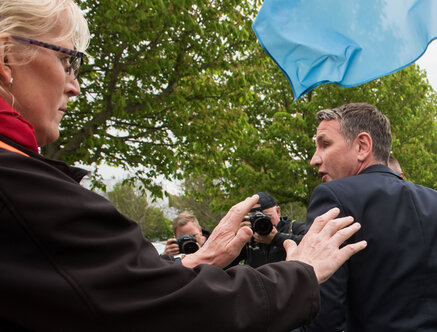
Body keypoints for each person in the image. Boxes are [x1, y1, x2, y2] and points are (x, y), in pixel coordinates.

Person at [0, 1, 366, 330]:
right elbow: (177, 310)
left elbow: (113, 292)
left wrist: (198, 260)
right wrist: (301, 273)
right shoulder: (23, 189)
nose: (74, 86)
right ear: (6, 58)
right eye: (67, 62)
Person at [303, 103, 437, 331]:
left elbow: (323, 318)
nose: (314, 159)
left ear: (362, 146)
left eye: (325, 144)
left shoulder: (333, 198)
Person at [227, 191, 308, 267]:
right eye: (255, 219)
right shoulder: (249, 235)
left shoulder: (293, 227)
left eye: (267, 217)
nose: (262, 223)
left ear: (278, 211)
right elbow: (226, 264)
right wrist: (237, 239)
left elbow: (312, 244)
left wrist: (276, 238)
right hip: (256, 281)